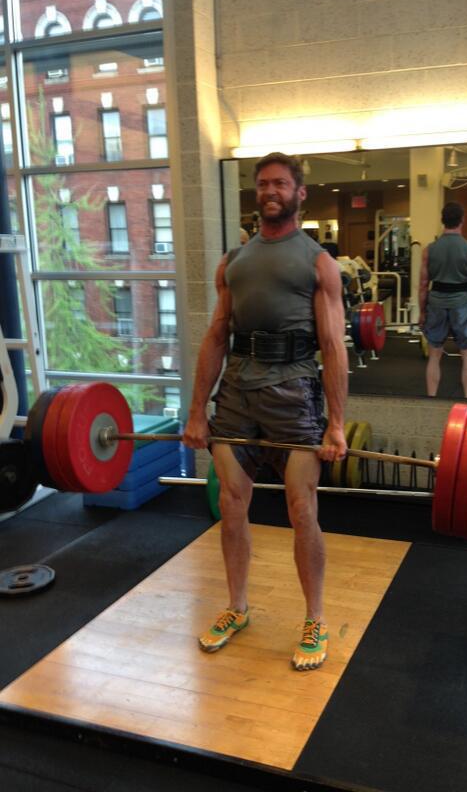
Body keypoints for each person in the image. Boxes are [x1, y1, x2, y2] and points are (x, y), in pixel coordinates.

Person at [183, 152, 348, 671]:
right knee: (232, 503)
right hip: (236, 391)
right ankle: (237, 606)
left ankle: (315, 618)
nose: (270, 191)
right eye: (262, 183)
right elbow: (216, 336)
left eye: (280, 183)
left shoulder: (318, 262)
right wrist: (196, 412)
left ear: (300, 193)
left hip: (294, 393)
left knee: (302, 508)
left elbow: (332, 345)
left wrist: (337, 423)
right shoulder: (233, 261)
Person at [418, 202, 467, 398]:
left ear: (443, 220)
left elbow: (423, 285)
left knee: (434, 355)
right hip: (462, 305)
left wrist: (422, 312)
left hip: (436, 303)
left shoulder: (429, 250)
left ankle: (431, 398)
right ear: (462, 220)